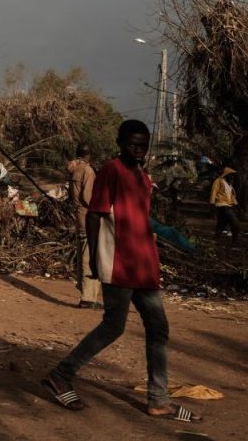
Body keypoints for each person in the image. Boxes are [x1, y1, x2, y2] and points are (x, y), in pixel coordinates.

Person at [43, 120, 201, 423]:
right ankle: (60, 376)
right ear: (120, 142)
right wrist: (91, 257)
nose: (138, 150)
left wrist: (169, 234)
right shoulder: (110, 171)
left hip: (144, 264)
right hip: (118, 262)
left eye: (143, 145)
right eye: (132, 144)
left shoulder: (143, 177)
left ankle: (158, 399)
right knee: (113, 325)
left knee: (158, 328)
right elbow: (95, 215)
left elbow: (140, 218)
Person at [68, 143, 102, 308]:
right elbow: (88, 197)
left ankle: (86, 292)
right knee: (90, 256)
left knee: (83, 255)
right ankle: (88, 298)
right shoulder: (87, 171)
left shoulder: (74, 169)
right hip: (89, 217)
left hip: (79, 216)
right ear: (89, 155)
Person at [209, 166, 240, 255]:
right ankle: (234, 243)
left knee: (221, 225)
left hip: (228, 205)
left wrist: (237, 205)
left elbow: (232, 196)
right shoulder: (218, 181)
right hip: (222, 205)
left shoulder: (229, 183)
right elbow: (214, 192)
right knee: (236, 224)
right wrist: (212, 205)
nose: (232, 176)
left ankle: (214, 242)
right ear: (226, 174)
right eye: (231, 174)